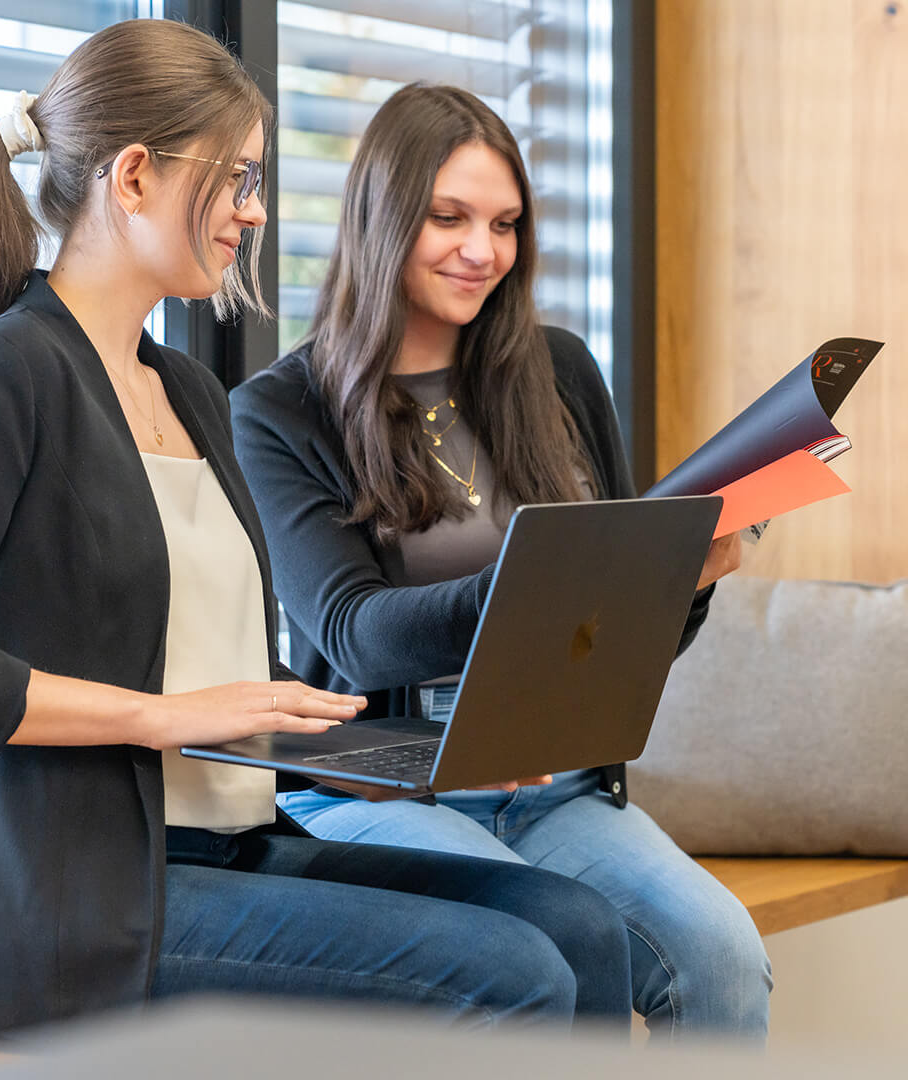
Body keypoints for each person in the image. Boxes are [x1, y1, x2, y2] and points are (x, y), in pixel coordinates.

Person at [0, 24, 637, 1035]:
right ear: (132, 178)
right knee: (512, 969)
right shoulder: (2, 377)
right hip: (73, 897)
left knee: (580, 925)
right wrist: (155, 715)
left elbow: (223, 693)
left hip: (228, 841)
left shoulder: (189, 391)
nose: (254, 212)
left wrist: (414, 750)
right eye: (238, 178)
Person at [230, 82, 773, 1042]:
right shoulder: (282, 411)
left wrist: (676, 584)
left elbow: (611, 650)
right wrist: (548, 581)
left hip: (557, 789)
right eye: (449, 217)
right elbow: (354, 637)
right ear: (381, 217)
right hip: (389, 788)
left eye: (506, 223)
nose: (482, 250)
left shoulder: (559, 372)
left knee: (723, 953)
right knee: (558, 948)